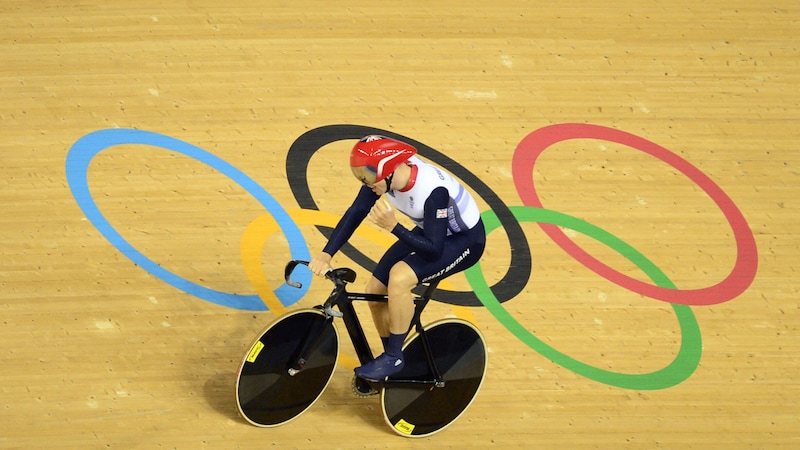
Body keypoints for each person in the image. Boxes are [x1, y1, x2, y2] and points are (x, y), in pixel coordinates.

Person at [308, 135, 486, 381]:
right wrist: (326, 254)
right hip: (432, 229)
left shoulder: (433, 191)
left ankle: (394, 357)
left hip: (463, 241)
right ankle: (390, 360)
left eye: (368, 175)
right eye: (361, 175)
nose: (365, 181)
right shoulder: (383, 178)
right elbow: (356, 211)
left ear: (389, 171)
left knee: (399, 278)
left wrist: (394, 228)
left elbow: (434, 250)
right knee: (375, 290)